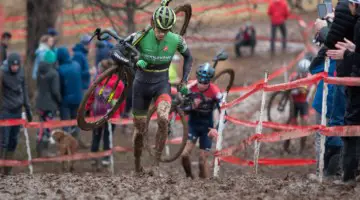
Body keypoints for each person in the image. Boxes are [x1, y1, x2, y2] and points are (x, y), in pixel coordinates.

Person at [110, 4, 193, 174]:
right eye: (159, 29)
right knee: (140, 131)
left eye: (166, 30)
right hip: (140, 87)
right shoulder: (140, 36)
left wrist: (184, 81)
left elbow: (189, 57)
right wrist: (132, 62)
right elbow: (116, 52)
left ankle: (155, 164)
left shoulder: (176, 40)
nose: (161, 33)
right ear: (154, 23)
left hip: (161, 85)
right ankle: (137, 164)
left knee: (163, 119)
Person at [326, 0, 360, 186]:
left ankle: (348, 176)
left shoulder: (354, 19)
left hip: (354, 77)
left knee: (350, 123)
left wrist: (348, 54)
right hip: (352, 75)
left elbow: (330, 41)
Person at [180, 63, 221, 179]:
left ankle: (205, 185)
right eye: (200, 82)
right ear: (197, 78)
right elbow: (180, 109)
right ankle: (189, 176)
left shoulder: (215, 92)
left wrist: (216, 129)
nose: (202, 85)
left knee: (202, 161)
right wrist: (190, 106)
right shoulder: (189, 87)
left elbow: (224, 114)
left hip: (207, 128)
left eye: (205, 83)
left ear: (210, 81)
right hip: (193, 125)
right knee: (184, 154)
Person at [85, 59, 125, 167]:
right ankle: (106, 158)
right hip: (111, 114)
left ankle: (94, 157)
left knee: (96, 135)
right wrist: (119, 113)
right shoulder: (119, 83)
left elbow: (89, 97)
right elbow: (121, 100)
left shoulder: (96, 81)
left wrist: (87, 109)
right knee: (108, 136)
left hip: (97, 113)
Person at [0, 52, 32, 175]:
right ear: (9, 65)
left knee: (13, 140)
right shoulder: (2, 73)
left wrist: (28, 109)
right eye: (13, 66)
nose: (15, 68)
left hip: (17, 111)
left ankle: (7, 170)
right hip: (5, 111)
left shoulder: (21, 73)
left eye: (17, 66)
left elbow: (24, 90)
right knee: (3, 141)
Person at [57, 46, 84, 147]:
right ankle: (75, 141)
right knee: (75, 121)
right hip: (78, 98)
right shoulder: (77, 65)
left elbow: (60, 87)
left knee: (65, 123)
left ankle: (66, 143)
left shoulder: (60, 70)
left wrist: (59, 99)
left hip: (66, 100)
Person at [35, 50, 61, 157]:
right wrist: (59, 100)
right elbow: (55, 91)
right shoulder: (53, 74)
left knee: (41, 126)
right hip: (50, 105)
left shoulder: (39, 71)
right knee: (48, 126)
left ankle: (39, 148)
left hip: (40, 103)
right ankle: (44, 150)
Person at [283, 59, 311, 154]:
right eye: (302, 72)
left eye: (305, 73)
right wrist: (291, 87)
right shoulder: (293, 76)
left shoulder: (310, 78)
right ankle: (286, 146)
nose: (303, 74)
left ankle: (302, 148)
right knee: (292, 125)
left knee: (305, 125)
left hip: (303, 103)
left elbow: (305, 91)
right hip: (294, 103)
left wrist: (296, 88)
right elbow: (287, 88)